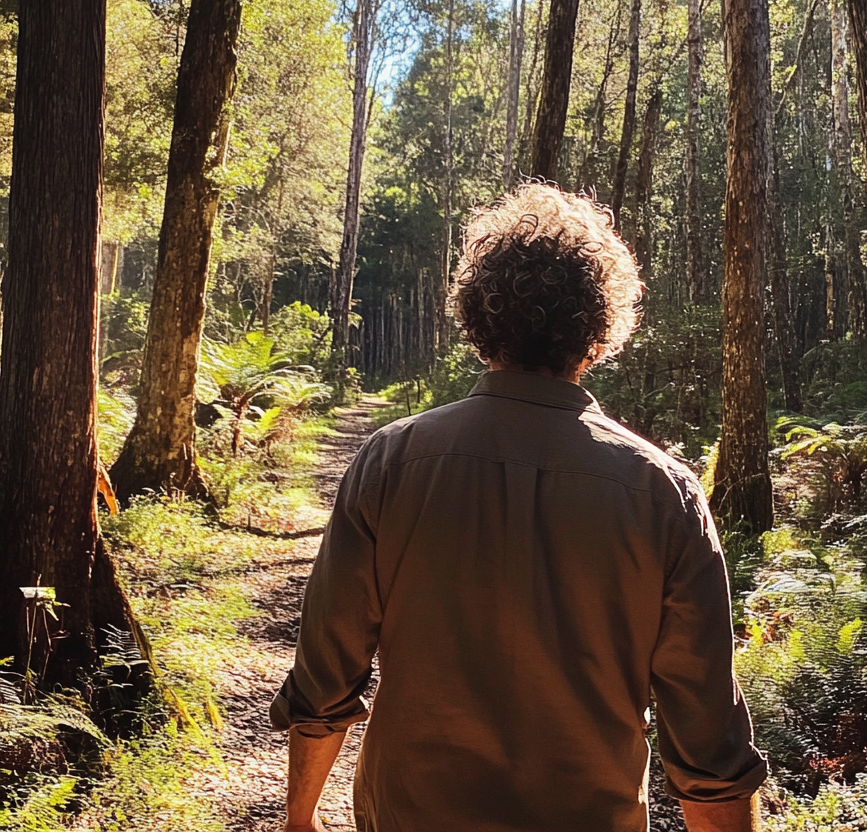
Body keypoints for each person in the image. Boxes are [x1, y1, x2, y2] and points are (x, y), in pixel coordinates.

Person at [271, 184, 767, 832]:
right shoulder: (662, 495)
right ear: (597, 333)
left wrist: (300, 817)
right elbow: (710, 751)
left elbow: (325, 673)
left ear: (481, 321)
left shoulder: (390, 464)